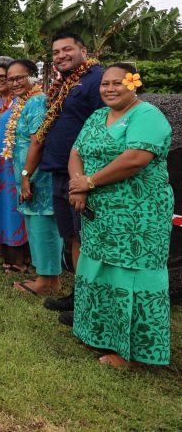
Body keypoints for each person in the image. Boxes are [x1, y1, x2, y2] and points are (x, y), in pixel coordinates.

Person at [69, 63, 174, 367]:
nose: (110, 88)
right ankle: (99, 335)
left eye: (118, 83)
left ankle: (132, 353)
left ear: (134, 84)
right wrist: (78, 186)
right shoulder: (97, 116)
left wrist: (89, 182)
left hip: (138, 217)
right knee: (98, 271)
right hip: (100, 214)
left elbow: (135, 159)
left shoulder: (147, 115)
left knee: (130, 276)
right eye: (105, 83)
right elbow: (76, 152)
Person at [20, 32, 104, 320]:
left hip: (82, 174)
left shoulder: (96, 80)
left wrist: (86, 178)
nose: (60, 56)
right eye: (55, 52)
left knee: (86, 238)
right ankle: (80, 295)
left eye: (67, 49)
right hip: (59, 171)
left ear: (84, 51)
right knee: (73, 237)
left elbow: (104, 128)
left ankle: (90, 303)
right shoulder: (66, 83)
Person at [5, 60, 60, 295]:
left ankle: (46, 281)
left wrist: (27, 175)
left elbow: (38, 141)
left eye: (20, 78)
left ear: (33, 77)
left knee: (42, 226)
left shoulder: (37, 101)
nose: (15, 83)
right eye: (11, 79)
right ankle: (49, 278)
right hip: (27, 173)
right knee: (35, 225)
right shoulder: (22, 102)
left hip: (38, 176)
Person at [0, 56, 30, 268]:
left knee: (13, 206)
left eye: (3, 76)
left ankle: (21, 257)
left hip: (12, 163)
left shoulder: (23, 101)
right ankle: (4, 250)